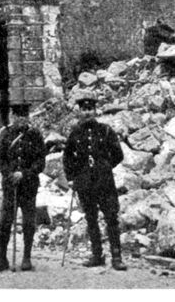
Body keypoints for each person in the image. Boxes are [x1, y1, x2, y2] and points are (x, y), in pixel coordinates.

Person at [63, 97, 127, 270]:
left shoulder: (105, 131)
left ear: (95, 111)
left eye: (90, 109)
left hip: (104, 182)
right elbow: (67, 158)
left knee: (111, 218)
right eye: (84, 110)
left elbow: (118, 154)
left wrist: (104, 166)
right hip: (85, 183)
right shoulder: (75, 133)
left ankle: (116, 257)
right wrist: (72, 178)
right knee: (91, 218)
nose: (87, 112)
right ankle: (97, 255)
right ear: (80, 112)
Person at [0, 102, 46, 272]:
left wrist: (24, 174)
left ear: (28, 117)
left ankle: (26, 258)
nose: (21, 119)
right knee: (5, 222)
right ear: (12, 116)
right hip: (10, 186)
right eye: (18, 115)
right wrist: (10, 174)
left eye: (24, 115)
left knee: (28, 222)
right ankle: (2, 258)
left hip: (28, 186)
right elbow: (1, 161)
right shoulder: (6, 134)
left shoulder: (35, 135)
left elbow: (40, 162)